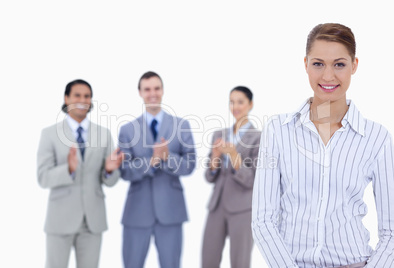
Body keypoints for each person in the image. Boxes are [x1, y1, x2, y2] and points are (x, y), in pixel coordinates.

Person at [252, 23, 394, 268]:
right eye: (318, 64)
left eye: (339, 64)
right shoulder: (278, 130)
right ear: (306, 64)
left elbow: (391, 231)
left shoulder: (376, 137)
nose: (328, 76)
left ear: (354, 65)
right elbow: (262, 220)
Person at [37, 79, 122, 268]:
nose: (83, 100)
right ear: (66, 99)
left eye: (87, 96)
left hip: (92, 221)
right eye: (77, 95)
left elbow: (111, 180)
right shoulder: (50, 134)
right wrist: (68, 169)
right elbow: (43, 177)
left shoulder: (104, 134)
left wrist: (109, 170)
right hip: (60, 219)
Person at [118, 71, 196, 268]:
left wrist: (168, 157)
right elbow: (124, 171)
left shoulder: (181, 125)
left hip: (171, 210)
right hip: (137, 212)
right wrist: (150, 161)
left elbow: (190, 165)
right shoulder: (127, 130)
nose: (152, 93)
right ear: (140, 93)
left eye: (156, 88)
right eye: (147, 89)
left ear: (163, 90)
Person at [202, 86, 261, 268]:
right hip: (217, 204)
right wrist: (215, 157)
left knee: (239, 262)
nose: (235, 106)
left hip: (243, 207)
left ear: (250, 104)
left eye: (240, 102)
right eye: (232, 102)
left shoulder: (258, 137)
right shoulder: (219, 135)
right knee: (208, 259)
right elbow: (209, 177)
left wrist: (235, 156)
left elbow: (253, 179)